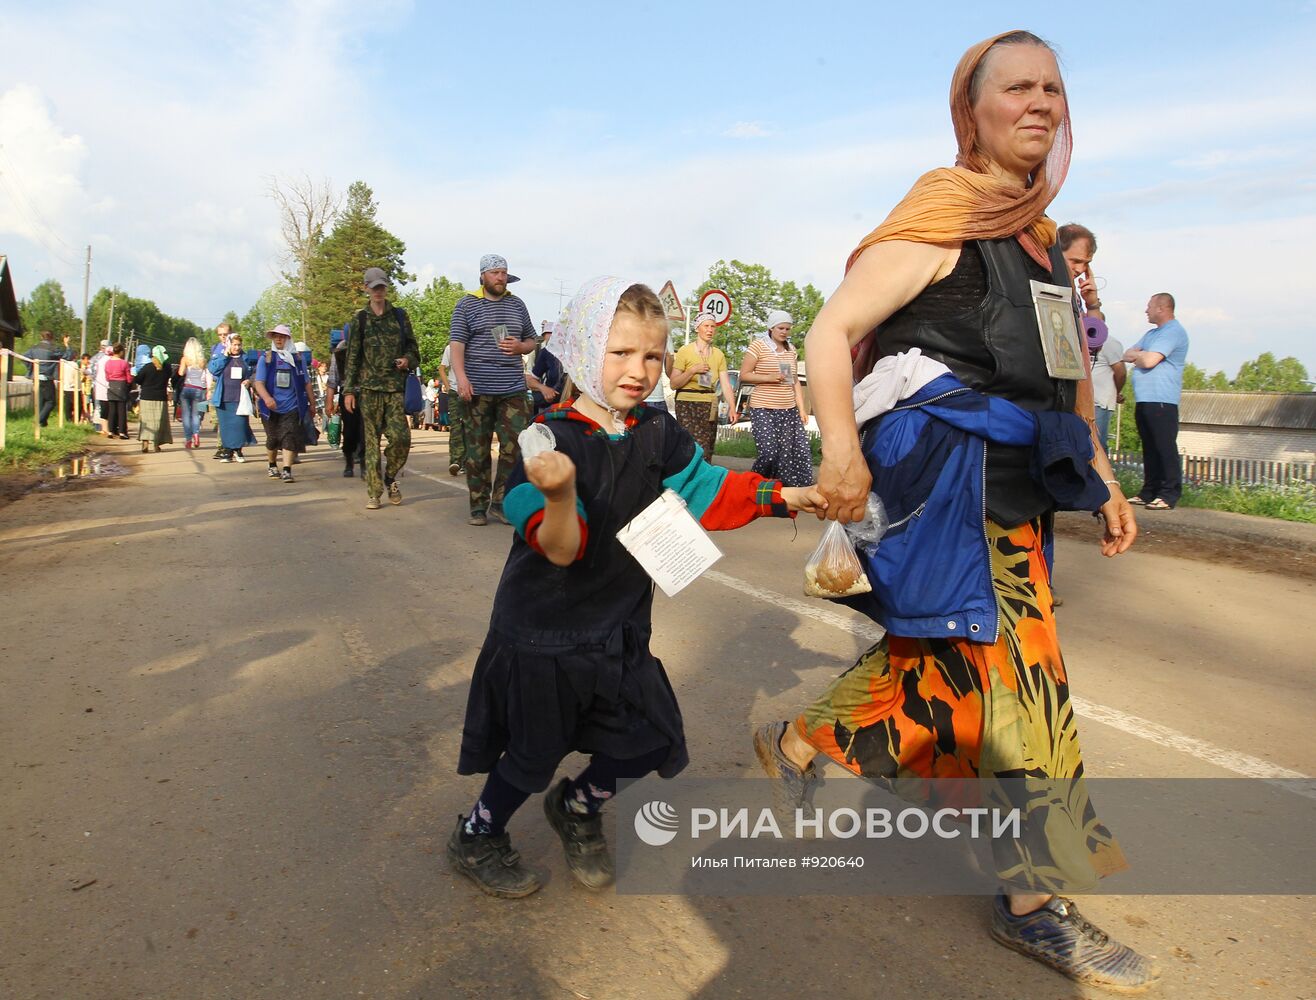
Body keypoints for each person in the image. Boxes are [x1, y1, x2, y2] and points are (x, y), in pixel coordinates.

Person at [751, 32, 1155, 994]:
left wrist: (1099, 471)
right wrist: (839, 453)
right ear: (970, 112)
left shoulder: (1043, 240)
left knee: (939, 660)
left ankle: (802, 738)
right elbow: (831, 330)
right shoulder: (940, 221)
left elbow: (1069, 375)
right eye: (1017, 87)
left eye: (1054, 88)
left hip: (1019, 494)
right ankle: (1036, 905)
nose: (1041, 102)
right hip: (949, 497)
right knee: (1025, 693)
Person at [449, 277, 822, 899]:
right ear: (582, 347)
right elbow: (559, 546)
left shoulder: (658, 430)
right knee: (532, 755)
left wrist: (790, 497)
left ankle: (577, 806)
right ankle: (479, 832)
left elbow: (707, 490)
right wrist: (562, 493)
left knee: (648, 738)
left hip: (618, 626)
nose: (639, 370)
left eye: (652, 356)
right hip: (544, 631)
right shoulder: (545, 439)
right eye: (620, 352)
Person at [448, 254, 538, 526]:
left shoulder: (517, 304)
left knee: (514, 448)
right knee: (478, 451)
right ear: (483, 276)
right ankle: (478, 506)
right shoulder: (467, 305)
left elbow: (531, 339)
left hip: (512, 388)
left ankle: (500, 502)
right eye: (496, 273)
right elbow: (457, 346)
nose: (501, 277)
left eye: (504, 273)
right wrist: (461, 379)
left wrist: (521, 347)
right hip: (477, 389)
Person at [342, 268, 420, 508]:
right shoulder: (360, 319)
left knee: (401, 438)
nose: (378, 291)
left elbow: (413, 349)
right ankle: (374, 493)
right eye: (373, 287)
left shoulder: (399, 316)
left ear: (386, 288)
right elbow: (353, 356)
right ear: (366, 288)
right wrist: (348, 390)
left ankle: (390, 477)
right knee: (372, 442)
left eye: (382, 287)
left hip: (395, 388)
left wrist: (407, 360)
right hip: (369, 389)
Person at [1058, 223, 1123, 451]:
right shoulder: (1045, 287)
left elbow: (1094, 341)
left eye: (1086, 264)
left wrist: (1092, 302)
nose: (1079, 269)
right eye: (1074, 261)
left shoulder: (1074, 297)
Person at [1124, 293, 1189, 510]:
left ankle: (1169, 493)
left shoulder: (1173, 332)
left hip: (1162, 400)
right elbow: (1127, 354)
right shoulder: (1152, 334)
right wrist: (1140, 356)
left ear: (1162, 308)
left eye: (1149, 306)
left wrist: (1141, 356)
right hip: (1144, 398)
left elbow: (1150, 360)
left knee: (1164, 446)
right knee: (1149, 447)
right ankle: (1148, 491)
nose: (1146, 311)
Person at [739, 309, 813, 486]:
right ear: (771, 328)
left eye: (788, 329)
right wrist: (769, 378)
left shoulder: (791, 350)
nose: (784, 332)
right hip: (763, 408)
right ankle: (752, 483)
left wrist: (801, 409)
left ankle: (781, 490)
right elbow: (744, 375)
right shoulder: (758, 346)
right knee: (769, 452)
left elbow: (793, 380)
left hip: (788, 410)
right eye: (781, 328)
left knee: (789, 453)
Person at [253, 324, 316, 484]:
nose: (279, 339)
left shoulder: (298, 359)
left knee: (289, 437)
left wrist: (312, 404)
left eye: (282, 336)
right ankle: (272, 464)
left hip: (293, 406)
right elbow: (259, 383)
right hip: (271, 407)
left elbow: (306, 383)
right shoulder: (266, 358)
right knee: (272, 439)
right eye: (276, 336)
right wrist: (267, 398)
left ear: (288, 338)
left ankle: (287, 470)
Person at [671, 312, 737, 460]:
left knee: (707, 447)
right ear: (697, 328)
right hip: (687, 403)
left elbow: (726, 384)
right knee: (691, 446)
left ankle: (704, 481)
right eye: (706, 326)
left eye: (713, 327)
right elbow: (674, 383)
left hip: (709, 404)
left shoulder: (718, 354)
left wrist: (732, 407)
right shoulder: (685, 351)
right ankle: (686, 480)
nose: (710, 330)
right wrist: (692, 370)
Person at [208, 332, 256, 462]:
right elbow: (213, 370)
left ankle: (238, 451)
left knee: (240, 424)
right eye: (234, 345)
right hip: (224, 397)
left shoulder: (246, 358)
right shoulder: (220, 357)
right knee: (226, 426)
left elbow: (254, 373)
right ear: (229, 344)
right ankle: (227, 451)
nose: (236, 347)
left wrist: (249, 381)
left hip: (240, 397)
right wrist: (225, 355)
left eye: (239, 345)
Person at [326, 325, 366, 478]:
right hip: (346, 394)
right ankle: (349, 462)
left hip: (366, 394)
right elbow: (333, 378)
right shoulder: (341, 350)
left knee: (365, 432)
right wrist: (329, 401)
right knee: (349, 431)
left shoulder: (368, 348)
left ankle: (364, 464)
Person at [131, 346, 174, 452]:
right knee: (159, 422)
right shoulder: (167, 368)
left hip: (147, 398)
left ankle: (145, 443)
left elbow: (138, 380)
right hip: (160, 398)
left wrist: (134, 373)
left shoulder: (147, 367)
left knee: (146, 421)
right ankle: (156, 445)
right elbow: (169, 377)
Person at [26, 330, 71, 427]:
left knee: (41, 401)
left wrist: (31, 369)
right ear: (51, 338)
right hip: (47, 378)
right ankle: (38, 420)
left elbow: (25, 357)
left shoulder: (34, 348)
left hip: (36, 378)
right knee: (51, 402)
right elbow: (67, 356)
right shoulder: (53, 349)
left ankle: (42, 424)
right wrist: (66, 344)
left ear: (41, 337)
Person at [176, 338, 210, 449]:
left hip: (187, 388)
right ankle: (196, 434)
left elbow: (181, 373)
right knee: (196, 414)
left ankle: (188, 439)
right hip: (199, 389)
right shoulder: (203, 361)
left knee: (186, 415)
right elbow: (207, 375)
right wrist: (208, 390)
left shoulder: (185, 359)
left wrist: (185, 369)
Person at [529, 322, 565, 414]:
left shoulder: (576, 352)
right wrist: (544, 389)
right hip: (550, 404)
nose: (551, 336)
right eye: (548, 333)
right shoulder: (545, 352)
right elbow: (530, 379)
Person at [102, 343, 132, 439]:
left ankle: (111, 431)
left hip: (111, 385)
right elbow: (129, 379)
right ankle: (122, 432)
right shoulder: (124, 363)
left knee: (112, 410)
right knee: (121, 410)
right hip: (121, 386)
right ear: (121, 352)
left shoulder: (108, 363)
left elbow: (107, 377)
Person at [90, 339, 112, 435]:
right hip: (105, 385)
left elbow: (90, 372)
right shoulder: (107, 358)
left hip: (95, 384)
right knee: (105, 406)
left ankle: (96, 426)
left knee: (97, 406)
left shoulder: (94, 358)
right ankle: (105, 427)